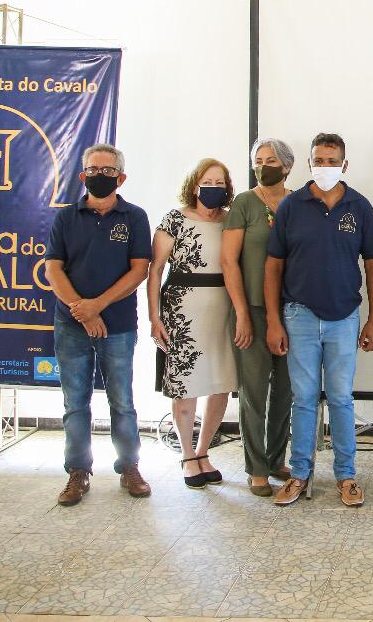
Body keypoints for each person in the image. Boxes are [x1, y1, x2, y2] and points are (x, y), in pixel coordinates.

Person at [265, 133, 373, 507]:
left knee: (341, 398)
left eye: (332, 161)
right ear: (309, 163)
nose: (325, 167)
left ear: (344, 165)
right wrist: (273, 320)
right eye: (319, 160)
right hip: (298, 315)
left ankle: (346, 477)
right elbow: (273, 266)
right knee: (303, 398)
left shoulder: (359, 206)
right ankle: (299, 474)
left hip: (344, 317)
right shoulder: (291, 206)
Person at [45, 143, 152, 506]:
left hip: (118, 325)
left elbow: (140, 270)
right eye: (93, 170)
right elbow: (53, 268)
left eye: (108, 171)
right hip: (71, 325)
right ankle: (78, 472)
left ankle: (129, 467)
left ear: (121, 178)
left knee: (122, 401)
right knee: (75, 403)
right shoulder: (66, 218)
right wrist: (83, 311)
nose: (100, 176)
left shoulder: (134, 217)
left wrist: (98, 306)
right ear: (82, 175)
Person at [148, 158, 240, 488]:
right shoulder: (174, 219)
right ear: (194, 184)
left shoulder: (232, 220)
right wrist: (154, 316)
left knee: (220, 384)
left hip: (224, 311)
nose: (213, 188)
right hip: (181, 314)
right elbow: (156, 270)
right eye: (207, 182)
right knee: (185, 386)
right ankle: (187, 455)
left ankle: (203, 451)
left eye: (220, 183)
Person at [222, 137, 296, 496]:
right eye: (258, 161)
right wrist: (241, 313)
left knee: (285, 391)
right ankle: (256, 469)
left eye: (270, 161)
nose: (263, 166)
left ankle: (276, 458)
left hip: (292, 310)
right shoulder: (244, 203)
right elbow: (228, 261)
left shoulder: (299, 202)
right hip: (251, 309)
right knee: (253, 392)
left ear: (287, 166)